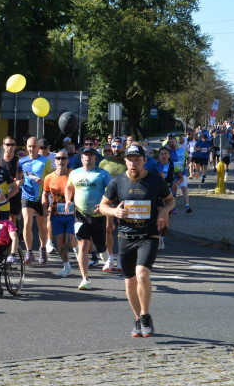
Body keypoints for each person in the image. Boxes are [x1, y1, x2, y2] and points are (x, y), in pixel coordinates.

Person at [98, 144, 175, 338]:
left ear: (144, 161)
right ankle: (137, 319)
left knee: (142, 274)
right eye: (130, 159)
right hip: (125, 237)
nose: (133, 163)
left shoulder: (155, 181)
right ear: (125, 161)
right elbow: (102, 205)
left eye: (137, 159)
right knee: (130, 282)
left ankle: (145, 314)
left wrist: (165, 212)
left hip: (148, 236)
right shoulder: (117, 182)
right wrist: (115, 211)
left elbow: (170, 200)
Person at [66, 146, 112, 290]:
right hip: (81, 215)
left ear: (95, 159)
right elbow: (69, 187)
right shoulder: (74, 173)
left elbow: (111, 192)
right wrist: (68, 200)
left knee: (100, 246)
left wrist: (105, 204)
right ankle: (85, 279)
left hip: (98, 216)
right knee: (83, 245)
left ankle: (105, 254)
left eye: (91, 155)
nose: (88, 157)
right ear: (81, 158)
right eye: (85, 155)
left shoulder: (102, 174)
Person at [17, 137, 52, 264]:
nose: (32, 149)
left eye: (34, 146)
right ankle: (29, 252)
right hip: (26, 196)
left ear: (38, 148)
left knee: (42, 225)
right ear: (27, 147)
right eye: (29, 146)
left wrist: (42, 182)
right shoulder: (22, 161)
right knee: (26, 222)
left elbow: (52, 179)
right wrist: (18, 181)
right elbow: (18, 176)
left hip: (41, 197)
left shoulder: (45, 162)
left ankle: (43, 249)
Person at [43, 151, 77, 277]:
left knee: (71, 241)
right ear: (55, 161)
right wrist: (44, 205)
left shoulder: (73, 174)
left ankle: (78, 248)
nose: (61, 161)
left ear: (68, 160)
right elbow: (45, 193)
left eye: (64, 158)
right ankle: (66, 266)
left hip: (72, 214)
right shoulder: (49, 177)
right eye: (58, 158)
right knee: (60, 242)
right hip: (56, 214)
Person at [98, 138, 127, 272]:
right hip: (109, 200)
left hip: (124, 200)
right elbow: (99, 182)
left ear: (123, 147)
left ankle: (121, 258)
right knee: (108, 229)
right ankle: (110, 258)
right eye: (113, 146)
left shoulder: (127, 161)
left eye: (118, 146)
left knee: (122, 231)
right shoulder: (104, 162)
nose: (116, 148)